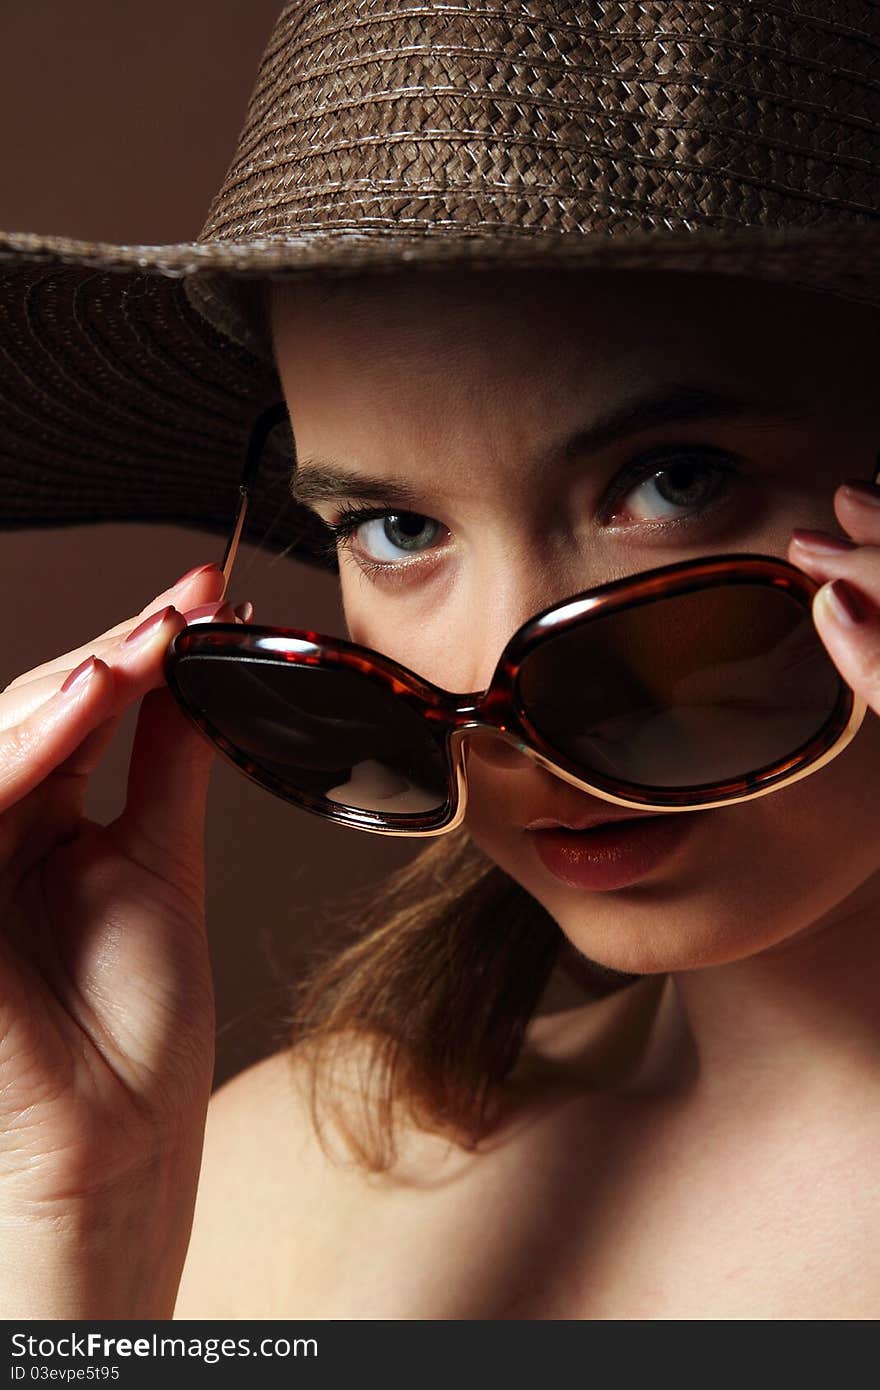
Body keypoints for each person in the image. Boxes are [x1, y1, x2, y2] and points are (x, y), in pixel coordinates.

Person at [1, 1, 879, 1320]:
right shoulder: (272, 1191)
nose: (497, 696)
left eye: (672, 479)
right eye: (399, 528)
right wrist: (87, 1224)